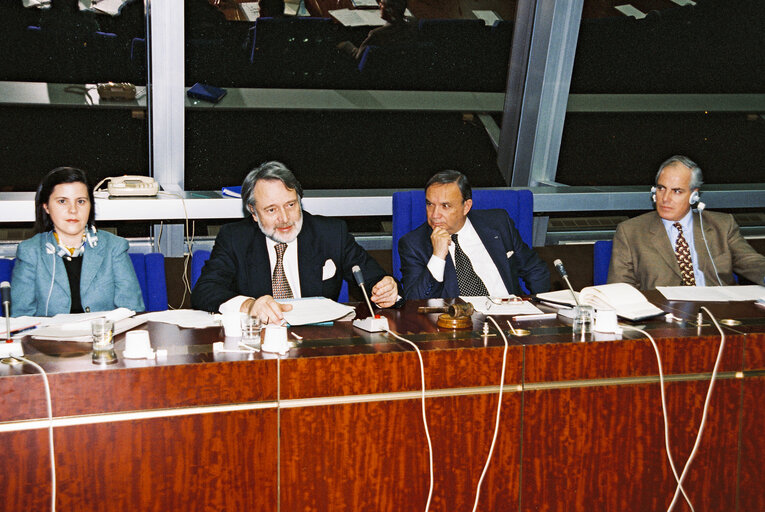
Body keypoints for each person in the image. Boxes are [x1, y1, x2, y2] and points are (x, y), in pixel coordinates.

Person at [191, 161, 400, 324]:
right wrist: (249, 305)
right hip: (261, 345)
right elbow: (205, 291)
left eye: (290, 205)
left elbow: (373, 279)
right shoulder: (236, 238)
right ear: (253, 212)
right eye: (271, 209)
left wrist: (387, 290)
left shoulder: (330, 233)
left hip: (317, 344)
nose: (284, 218)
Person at [608, 155, 765, 289]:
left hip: (717, 313)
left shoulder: (722, 225)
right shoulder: (630, 232)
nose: (665, 198)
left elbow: (751, 262)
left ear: (693, 196)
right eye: (661, 188)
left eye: (677, 191)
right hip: (662, 317)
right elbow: (620, 290)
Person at [11, 167, 145, 316]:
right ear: (46, 207)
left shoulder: (114, 247)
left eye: (81, 201)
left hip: (103, 336)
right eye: (62, 201)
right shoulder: (30, 252)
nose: (73, 210)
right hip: (51, 338)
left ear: (90, 206)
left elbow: (132, 311)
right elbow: (21, 318)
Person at [398, 170, 550, 300]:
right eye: (430, 204)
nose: (435, 215)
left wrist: (541, 308)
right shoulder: (414, 244)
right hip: (459, 326)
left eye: (445, 206)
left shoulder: (498, 223)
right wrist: (438, 256)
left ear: (466, 207)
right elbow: (415, 300)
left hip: (509, 318)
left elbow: (535, 269)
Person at [336, 0, 415, 61]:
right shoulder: (412, 27)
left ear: (390, 10)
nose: (379, 5)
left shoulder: (376, 34)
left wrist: (347, 45)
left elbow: (360, 57)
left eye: (382, 3)